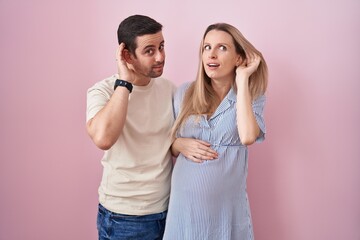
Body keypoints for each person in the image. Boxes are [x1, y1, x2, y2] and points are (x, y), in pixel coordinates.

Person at [163, 23, 268, 240]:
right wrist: (178, 144)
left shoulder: (252, 96)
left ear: (238, 58)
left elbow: (248, 136)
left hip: (226, 212)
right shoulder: (184, 93)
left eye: (222, 48)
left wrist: (242, 79)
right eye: (207, 47)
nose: (212, 54)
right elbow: (167, 141)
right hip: (184, 211)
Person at [86, 15, 176, 240]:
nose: (160, 57)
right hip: (124, 218)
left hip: (170, 211)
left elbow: (173, 143)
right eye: (149, 51)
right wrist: (124, 83)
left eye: (162, 47)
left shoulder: (170, 90)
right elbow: (103, 138)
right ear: (127, 55)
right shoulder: (103, 91)